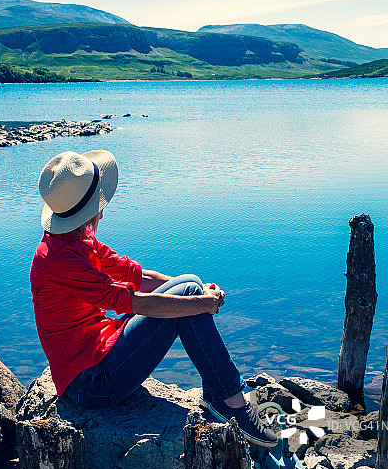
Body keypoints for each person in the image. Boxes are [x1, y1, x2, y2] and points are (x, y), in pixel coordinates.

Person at [30, 149, 277, 448]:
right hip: (92, 383)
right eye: (98, 204)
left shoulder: (76, 239)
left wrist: (200, 293)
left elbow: (134, 274)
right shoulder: (59, 260)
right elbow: (138, 302)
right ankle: (230, 402)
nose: (102, 212)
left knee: (189, 283)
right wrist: (201, 304)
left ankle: (218, 395)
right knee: (188, 296)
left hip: (98, 353)